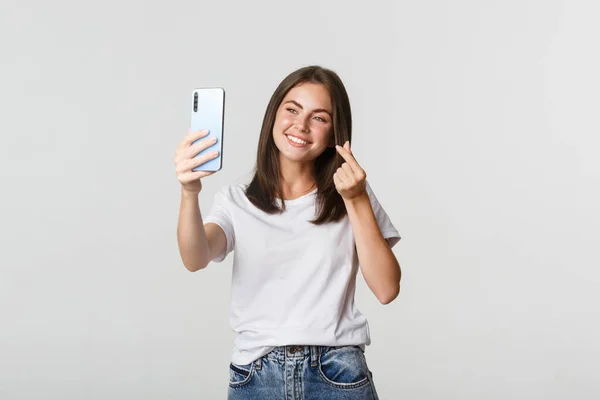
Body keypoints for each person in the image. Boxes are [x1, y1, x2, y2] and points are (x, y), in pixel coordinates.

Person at [174, 65, 401, 399]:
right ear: (274, 116)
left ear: (334, 133)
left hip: (336, 372)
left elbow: (386, 289)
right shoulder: (237, 201)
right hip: (256, 375)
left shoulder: (351, 194)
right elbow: (195, 258)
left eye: (319, 117)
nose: (301, 125)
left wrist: (355, 200)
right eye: (292, 110)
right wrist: (189, 193)